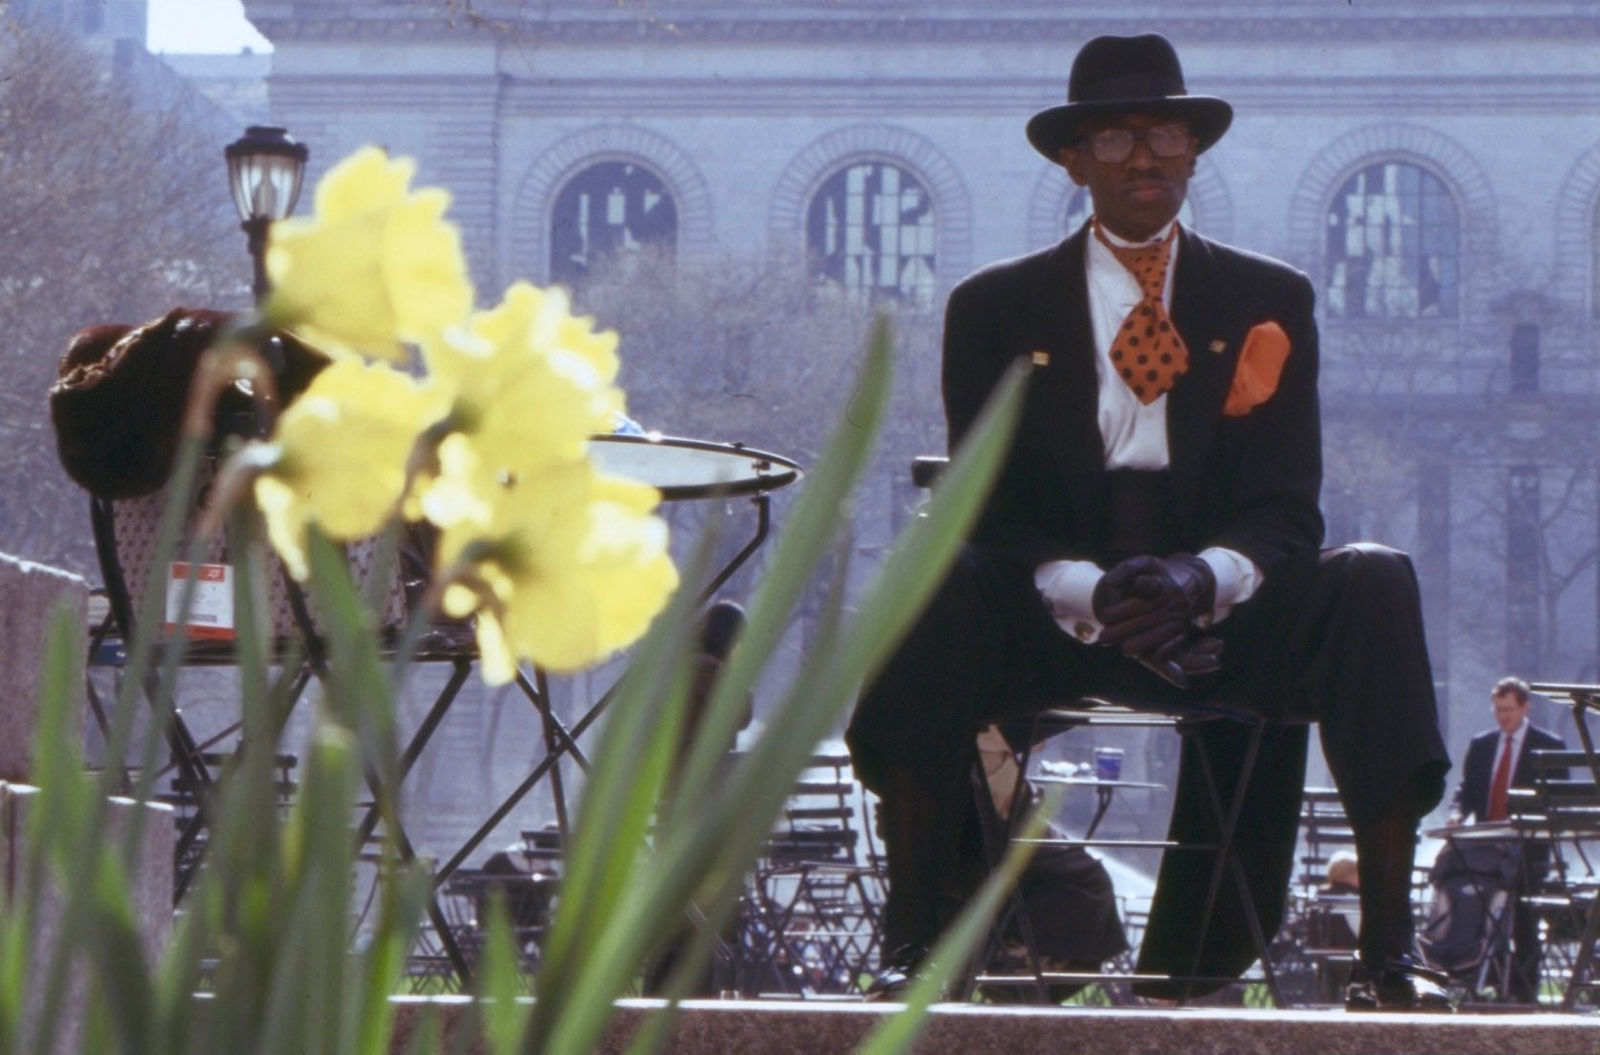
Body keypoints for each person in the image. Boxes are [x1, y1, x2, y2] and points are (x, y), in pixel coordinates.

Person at [845, 32, 1452, 1011]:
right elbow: (985, 507)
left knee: (1374, 579)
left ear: (1193, 151)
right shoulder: (995, 307)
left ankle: (1389, 956)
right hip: (1052, 611)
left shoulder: (1270, 299)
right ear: (1072, 160)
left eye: (1163, 131)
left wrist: (1196, 581)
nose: (1143, 156)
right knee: (935, 575)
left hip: (1218, 611)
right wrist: (1093, 591)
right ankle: (910, 942)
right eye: (1117, 136)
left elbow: (1286, 506)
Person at [1446, 676, 1565, 1003]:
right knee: (1475, 903)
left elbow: (1554, 800)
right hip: (1487, 847)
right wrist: (1457, 813)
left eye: (1508, 710)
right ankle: (1483, 977)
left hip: (1528, 848)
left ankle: (1523, 992)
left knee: (1524, 916)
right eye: (1498, 709)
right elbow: (1466, 791)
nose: (1502, 717)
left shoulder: (1549, 746)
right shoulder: (1482, 745)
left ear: (1525, 707)